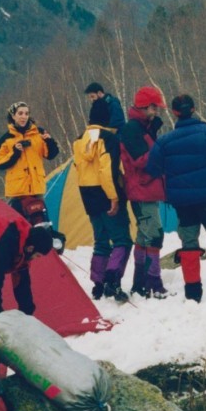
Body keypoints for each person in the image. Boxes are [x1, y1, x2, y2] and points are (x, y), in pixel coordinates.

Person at [146, 94, 206, 302]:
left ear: (174, 113)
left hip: (182, 204)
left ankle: (193, 292)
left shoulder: (164, 142)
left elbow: (152, 170)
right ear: (194, 109)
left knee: (189, 244)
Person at [72, 98, 134, 301]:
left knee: (100, 241)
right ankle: (112, 279)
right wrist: (114, 197)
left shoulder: (79, 140)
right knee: (122, 239)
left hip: (87, 195)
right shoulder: (108, 138)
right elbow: (106, 170)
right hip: (105, 192)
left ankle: (97, 284)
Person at [118, 85, 168, 298]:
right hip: (141, 189)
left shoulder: (141, 127)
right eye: (155, 108)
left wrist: (153, 131)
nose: (157, 112)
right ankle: (153, 283)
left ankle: (140, 284)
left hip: (144, 189)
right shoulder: (132, 129)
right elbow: (141, 160)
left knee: (144, 235)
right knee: (154, 235)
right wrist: (162, 149)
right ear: (146, 107)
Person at [0, 101, 60, 223]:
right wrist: (15, 152)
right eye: (20, 113)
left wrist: (49, 141)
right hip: (17, 191)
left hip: (36, 189)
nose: (24, 116)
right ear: (13, 116)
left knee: (41, 225)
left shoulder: (38, 132)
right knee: (19, 227)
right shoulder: (6, 138)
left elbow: (51, 155)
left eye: (26, 113)